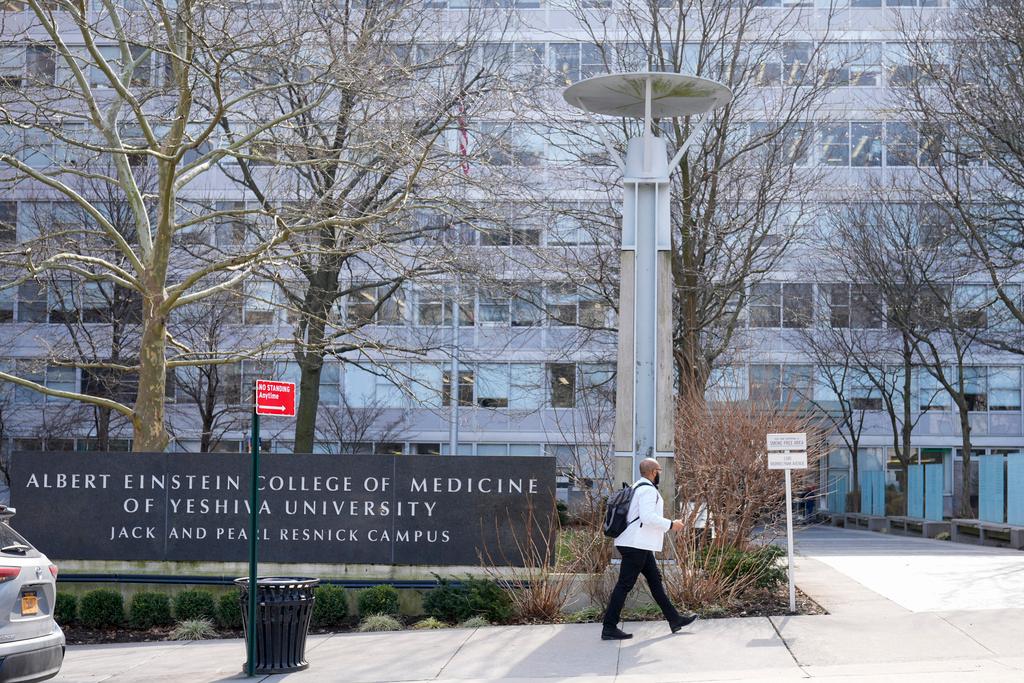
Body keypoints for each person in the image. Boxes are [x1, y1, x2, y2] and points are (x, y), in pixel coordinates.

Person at [602, 457, 697, 641]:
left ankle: (674, 619)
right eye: (659, 471)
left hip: (637, 544)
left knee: (655, 580)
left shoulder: (637, 487)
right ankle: (609, 627)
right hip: (635, 544)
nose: (660, 474)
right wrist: (671, 524)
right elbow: (647, 517)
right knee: (624, 584)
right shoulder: (647, 490)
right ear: (653, 472)